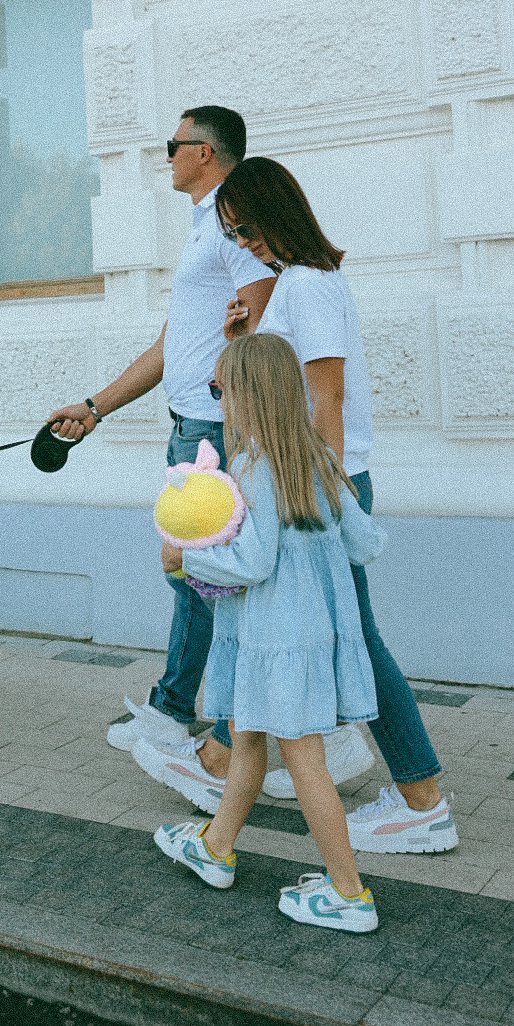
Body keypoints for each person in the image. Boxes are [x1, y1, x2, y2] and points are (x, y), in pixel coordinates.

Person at [156, 155, 457, 857]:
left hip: (318, 483)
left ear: (280, 213)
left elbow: (325, 398)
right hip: (313, 480)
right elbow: (287, 384)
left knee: (353, 639)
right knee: (321, 630)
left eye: (248, 228)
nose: (242, 245)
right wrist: (240, 345)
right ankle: (236, 755)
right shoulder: (295, 284)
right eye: (231, 234)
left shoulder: (312, 285)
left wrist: (321, 489)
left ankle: (420, 798)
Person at [48, 107, 276, 769]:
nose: (166, 155)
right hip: (193, 428)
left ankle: (183, 719)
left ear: (203, 153)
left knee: (202, 579)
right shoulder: (205, 224)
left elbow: (262, 307)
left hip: (212, 429)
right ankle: (184, 713)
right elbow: (171, 344)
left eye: (172, 145)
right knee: (198, 579)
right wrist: (96, 407)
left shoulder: (232, 218)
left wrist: (224, 384)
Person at [154, 334, 382, 933]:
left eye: (218, 390)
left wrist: (187, 559)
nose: (217, 401)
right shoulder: (318, 461)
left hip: (278, 641)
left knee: (304, 760)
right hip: (295, 639)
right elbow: (366, 543)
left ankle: (349, 893)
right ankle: (216, 846)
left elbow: (253, 563)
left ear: (246, 396)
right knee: (248, 738)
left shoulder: (254, 467)